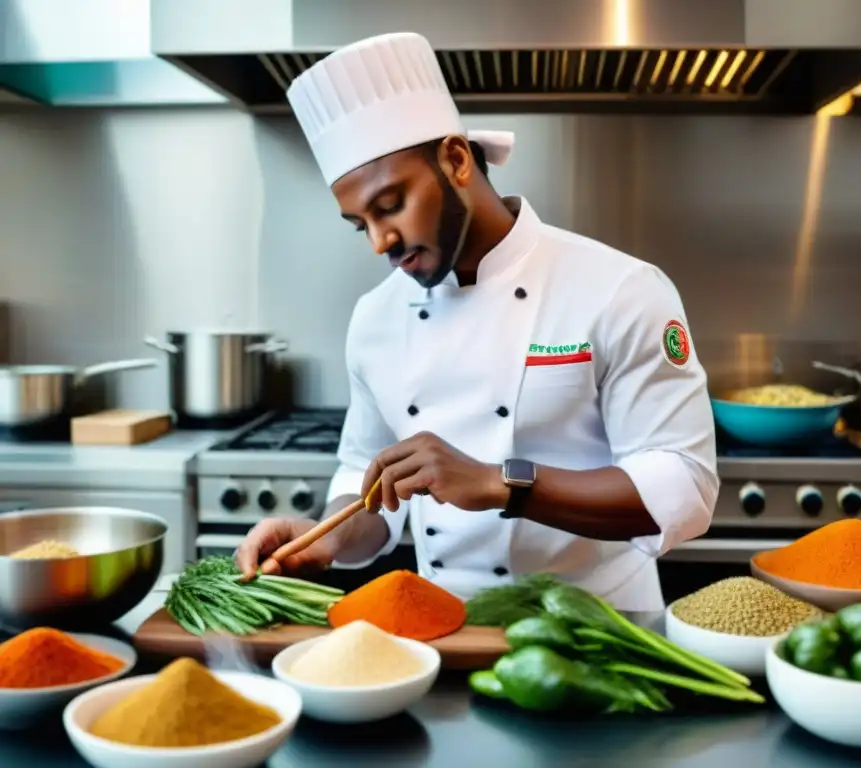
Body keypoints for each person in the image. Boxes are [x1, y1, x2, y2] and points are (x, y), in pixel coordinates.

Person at [235, 31, 719, 611]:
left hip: (602, 632)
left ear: (457, 160)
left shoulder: (620, 289)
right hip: (438, 631)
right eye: (360, 223)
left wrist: (498, 481)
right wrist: (324, 538)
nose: (380, 241)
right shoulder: (375, 320)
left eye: (390, 205)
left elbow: (684, 489)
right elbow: (364, 483)